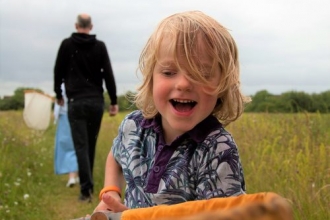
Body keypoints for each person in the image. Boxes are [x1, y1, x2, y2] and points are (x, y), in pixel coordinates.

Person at [93, 10, 251, 213]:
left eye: (200, 74)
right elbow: (115, 157)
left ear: (223, 84)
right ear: (151, 79)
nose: (184, 84)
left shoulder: (218, 149)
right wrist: (111, 191)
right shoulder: (133, 126)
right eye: (169, 72)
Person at [54, 13, 119, 202]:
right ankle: (87, 186)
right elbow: (108, 74)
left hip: (76, 102)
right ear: (91, 26)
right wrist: (113, 101)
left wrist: (58, 94)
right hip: (95, 102)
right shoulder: (99, 47)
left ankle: (85, 191)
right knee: (90, 144)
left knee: (81, 146)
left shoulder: (67, 45)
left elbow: (58, 71)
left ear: (76, 25)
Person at [53, 83, 79, 188]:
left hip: (67, 116)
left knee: (69, 147)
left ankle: (72, 176)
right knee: (78, 146)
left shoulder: (64, 84)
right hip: (77, 115)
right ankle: (76, 174)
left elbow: (59, 105)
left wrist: (56, 116)